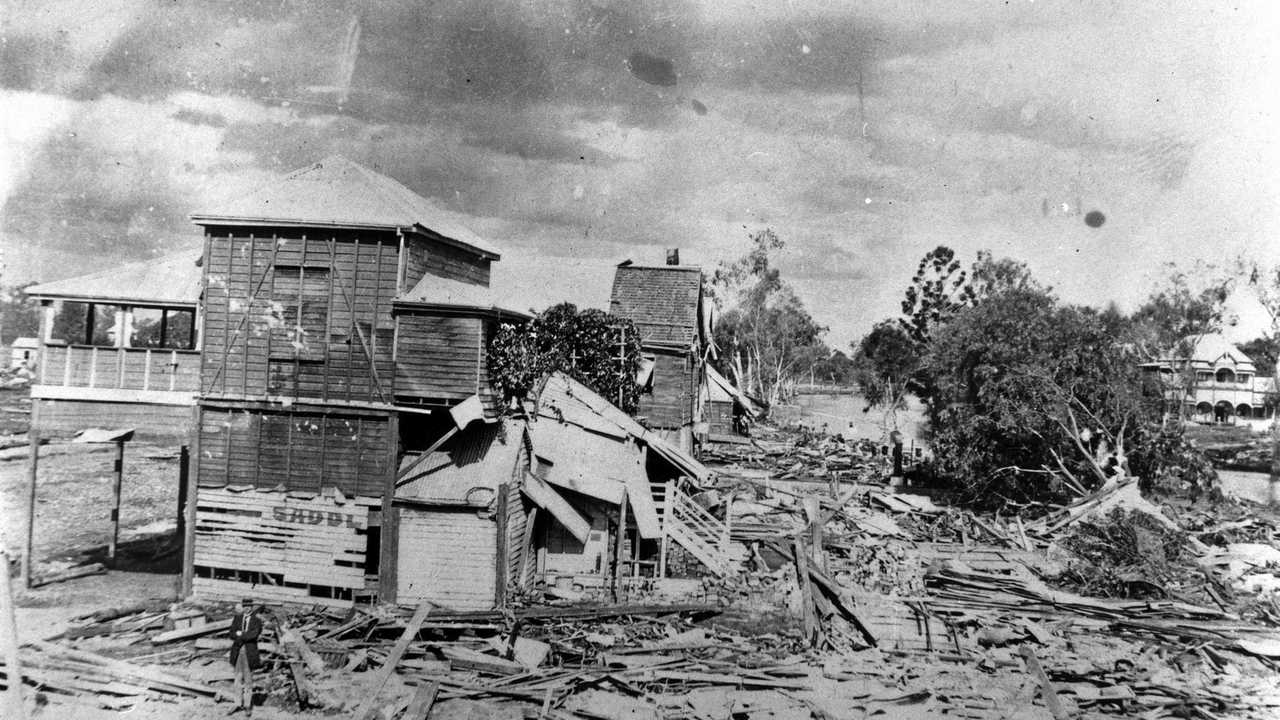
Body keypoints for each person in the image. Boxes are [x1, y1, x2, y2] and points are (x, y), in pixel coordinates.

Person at [229, 598, 262, 715]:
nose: (247, 608)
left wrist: (240, 634)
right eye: (245, 606)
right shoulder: (237, 618)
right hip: (238, 652)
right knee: (237, 679)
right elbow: (231, 633)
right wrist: (242, 635)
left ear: (252, 607)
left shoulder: (257, 621)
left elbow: (253, 635)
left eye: (249, 606)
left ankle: (247, 705)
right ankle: (237, 703)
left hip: (249, 652)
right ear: (242, 607)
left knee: (248, 679)